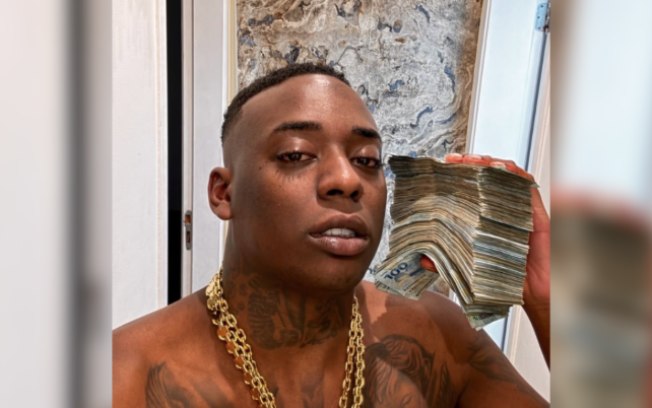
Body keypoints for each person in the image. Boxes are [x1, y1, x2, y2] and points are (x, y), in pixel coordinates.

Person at [113, 62, 550, 407]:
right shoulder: (125, 372)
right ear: (224, 194)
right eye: (296, 154)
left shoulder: (437, 335)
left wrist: (550, 300)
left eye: (367, 160)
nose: (346, 179)